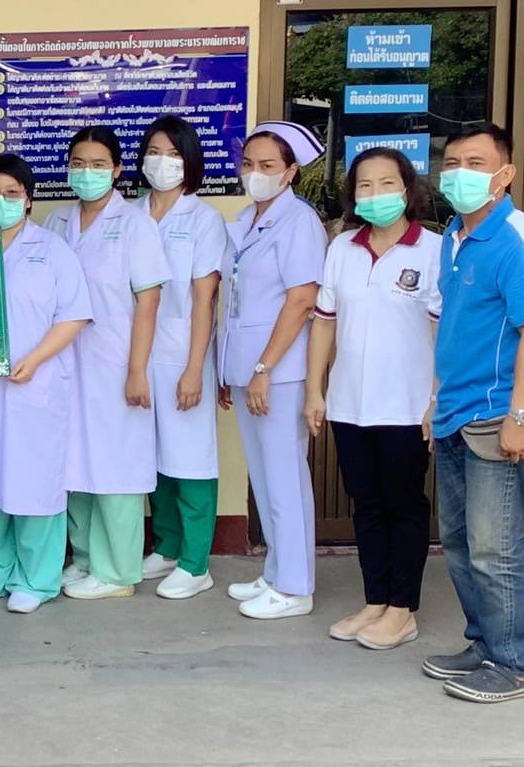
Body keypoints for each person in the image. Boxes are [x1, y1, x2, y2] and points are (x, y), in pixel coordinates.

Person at [424, 123, 524, 704]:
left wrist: (521, 417)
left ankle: (513, 664)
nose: (460, 173)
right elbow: (454, 330)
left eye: (476, 163)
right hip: (456, 413)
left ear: (506, 174)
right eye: (453, 162)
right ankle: (483, 644)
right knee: (458, 542)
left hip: (500, 417)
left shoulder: (518, 238)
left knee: (494, 547)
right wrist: (435, 402)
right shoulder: (454, 236)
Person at [303, 148, 441, 652]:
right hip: (350, 404)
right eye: (365, 185)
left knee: (404, 507)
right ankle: (376, 600)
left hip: (406, 406)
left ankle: (403, 610)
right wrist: (314, 389)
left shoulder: (433, 250)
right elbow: (324, 323)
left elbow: (445, 333)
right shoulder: (342, 247)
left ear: (406, 189)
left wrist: (437, 398)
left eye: (386, 183)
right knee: (366, 505)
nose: (375, 194)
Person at [0, 154, 92, 613]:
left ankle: (36, 578)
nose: (1, 201)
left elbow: (73, 316)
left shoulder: (52, 250)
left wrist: (36, 359)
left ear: (28, 200)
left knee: (34, 481)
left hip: (34, 385)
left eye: (12, 194)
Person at [44, 126, 169, 601]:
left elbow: (149, 301)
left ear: (117, 170)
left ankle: (117, 572)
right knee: (73, 463)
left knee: (115, 466)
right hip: (65, 364)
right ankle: (85, 558)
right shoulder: (57, 221)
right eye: (78, 163)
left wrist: (137, 370)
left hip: (115, 362)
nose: (87, 172)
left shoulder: (135, 224)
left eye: (98, 165)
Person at [219, 121, 327, 620]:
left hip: (277, 372)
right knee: (264, 478)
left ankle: (295, 587)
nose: (255, 173)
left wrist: (263, 367)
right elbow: (236, 300)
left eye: (267, 165)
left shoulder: (298, 221)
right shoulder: (246, 220)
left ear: (290, 172)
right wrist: (229, 368)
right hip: (247, 368)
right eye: (248, 164)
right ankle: (277, 570)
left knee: (285, 477)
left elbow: (302, 298)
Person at [133, 116, 230, 601]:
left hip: (181, 354)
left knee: (190, 458)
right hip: (135, 354)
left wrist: (195, 369)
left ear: (190, 161)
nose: (162, 162)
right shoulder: (131, 213)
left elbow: (204, 298)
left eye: (173, 154)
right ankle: (167, 546)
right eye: (154, 152)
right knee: (152, 456)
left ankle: (196, 562)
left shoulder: (203, 219)